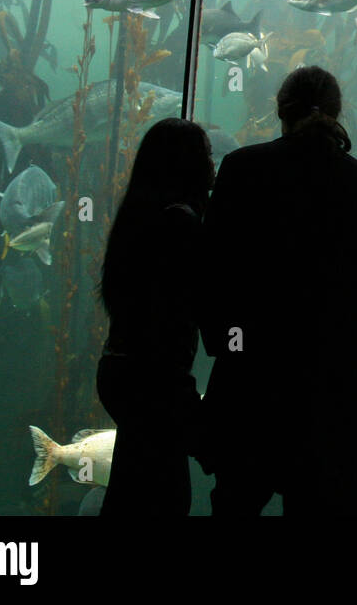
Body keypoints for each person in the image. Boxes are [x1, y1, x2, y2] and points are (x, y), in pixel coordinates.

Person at [199, 66, 357, 515]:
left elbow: (211, 271)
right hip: (332, 394)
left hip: (250, 385)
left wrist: (221, 345)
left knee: (235, 504)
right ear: (337, 113)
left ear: (279, 111)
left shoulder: (240, 169)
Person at [96, 117, 214, 515]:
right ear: (190, 166)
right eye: (208, 156)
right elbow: (187, 316)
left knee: (131, 490)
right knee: (165, 496)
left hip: (122, 372)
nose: (214, 167)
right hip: (153, 382)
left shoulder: (141, 216)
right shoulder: (181, 224)